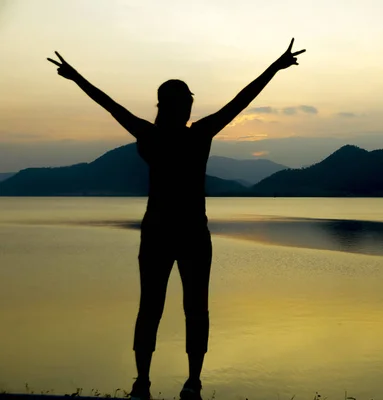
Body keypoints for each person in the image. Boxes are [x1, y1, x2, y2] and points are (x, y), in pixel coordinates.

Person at [47, 39, 306, 400]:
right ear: (178, 107)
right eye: (185, 101)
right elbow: (239, 102)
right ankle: (182, 382)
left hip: (162, 233)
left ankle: (150, 382)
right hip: (187, 234)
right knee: (189, 308)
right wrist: (274, 68)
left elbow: (111, 106)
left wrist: (77, 78)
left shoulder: (154, 135)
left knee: (156, 307)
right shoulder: (195, 135)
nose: (187, 106)